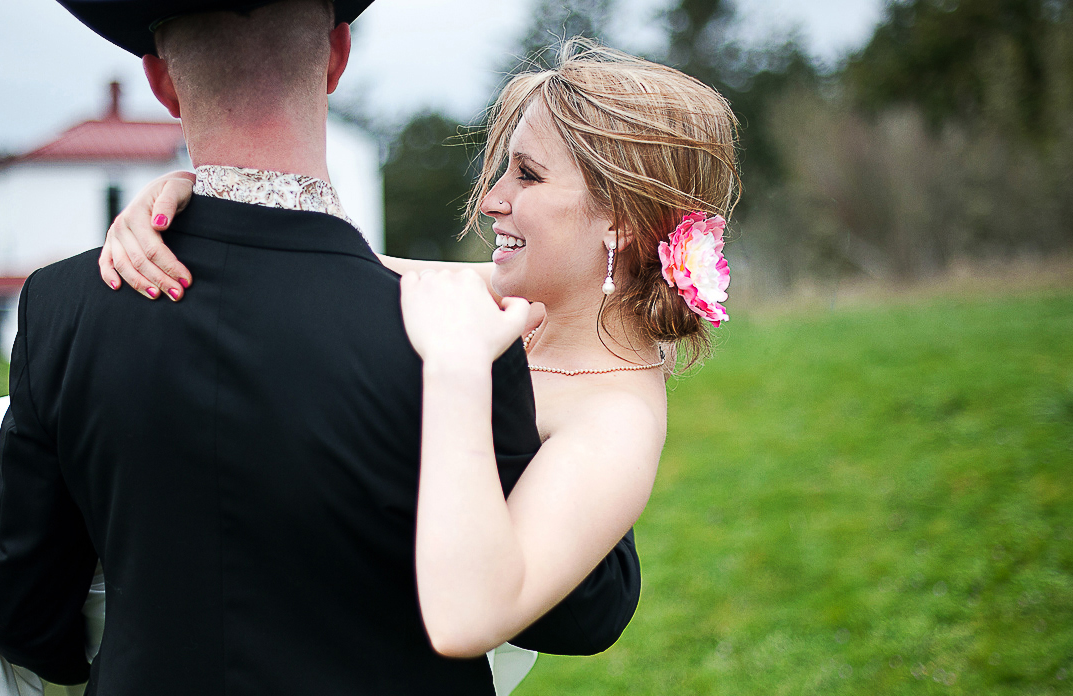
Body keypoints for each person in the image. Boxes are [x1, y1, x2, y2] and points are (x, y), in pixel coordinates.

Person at [0, 0, 641, 695]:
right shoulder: (455, 333)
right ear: (337, 55)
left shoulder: (62, 307)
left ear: (160, 83)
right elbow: (575, 613)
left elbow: (19, 610)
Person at [102, 39, 741, 675]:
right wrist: (195, 202)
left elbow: (469, 618)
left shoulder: (617, 420)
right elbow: (345, 267)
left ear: (621, 220)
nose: (492, 199)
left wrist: (457, 370)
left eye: (527, 174)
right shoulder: (528, 304)